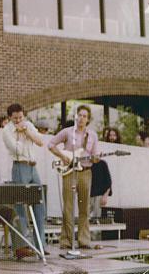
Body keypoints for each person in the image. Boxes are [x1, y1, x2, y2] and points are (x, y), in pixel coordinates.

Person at [48, 105, 100, 250]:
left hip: (85, 171)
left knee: (84, 208)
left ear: (88, 119)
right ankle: (66, 241)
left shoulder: (93, 136)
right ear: (76, 116)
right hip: (70, 171)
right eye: (80, 115)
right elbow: (51, 144)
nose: (82, 118)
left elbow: (95, 155)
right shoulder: (67, 132)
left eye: (85, 116)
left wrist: (96, 158)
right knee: (68, 207)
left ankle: (83, 240)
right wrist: (62, 156)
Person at [2, 103, 47, 255]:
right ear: (9, 117)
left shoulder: (27, 125)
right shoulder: (7, 131)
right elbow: (17, 149)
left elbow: (40, 141)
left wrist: (27, 131)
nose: (19, 120)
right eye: (15, 118)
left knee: (39, 204)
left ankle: (40, 245)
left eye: (21, 117)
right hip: (20, 166)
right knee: (20, 208)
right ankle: (24, 245)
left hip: (33, 167)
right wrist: (20, 133)